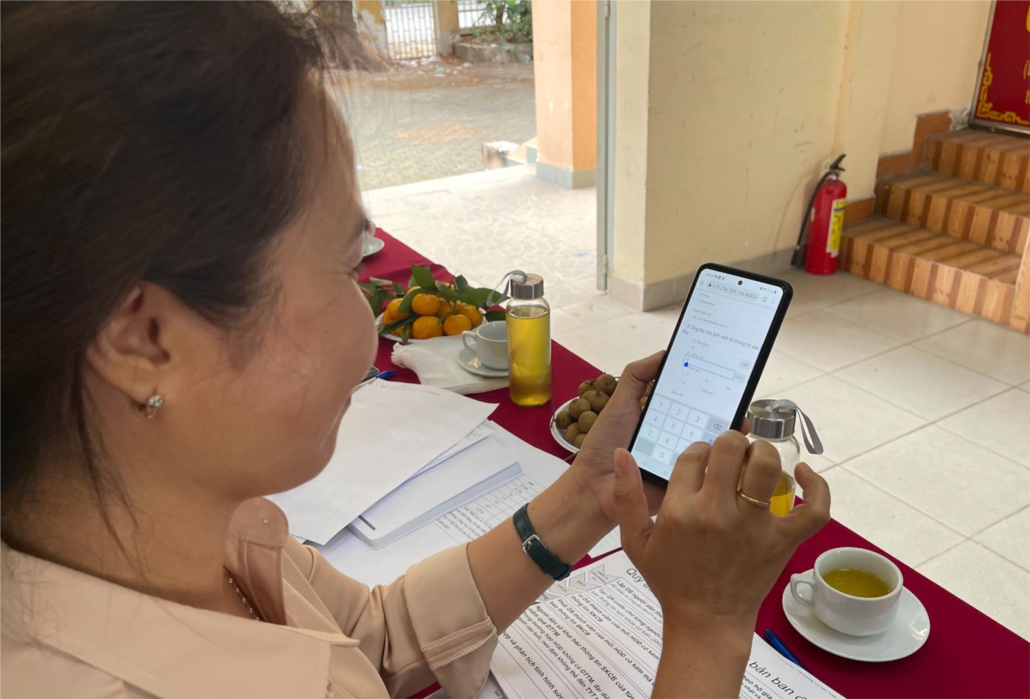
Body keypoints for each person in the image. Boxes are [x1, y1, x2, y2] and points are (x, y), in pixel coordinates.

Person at [0, 2, 831, 698]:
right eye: (346, 266)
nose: (373, 330)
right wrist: (710, 625)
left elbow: (369, 638)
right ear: (145, 338)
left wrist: (590, 494)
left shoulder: (189, 520)